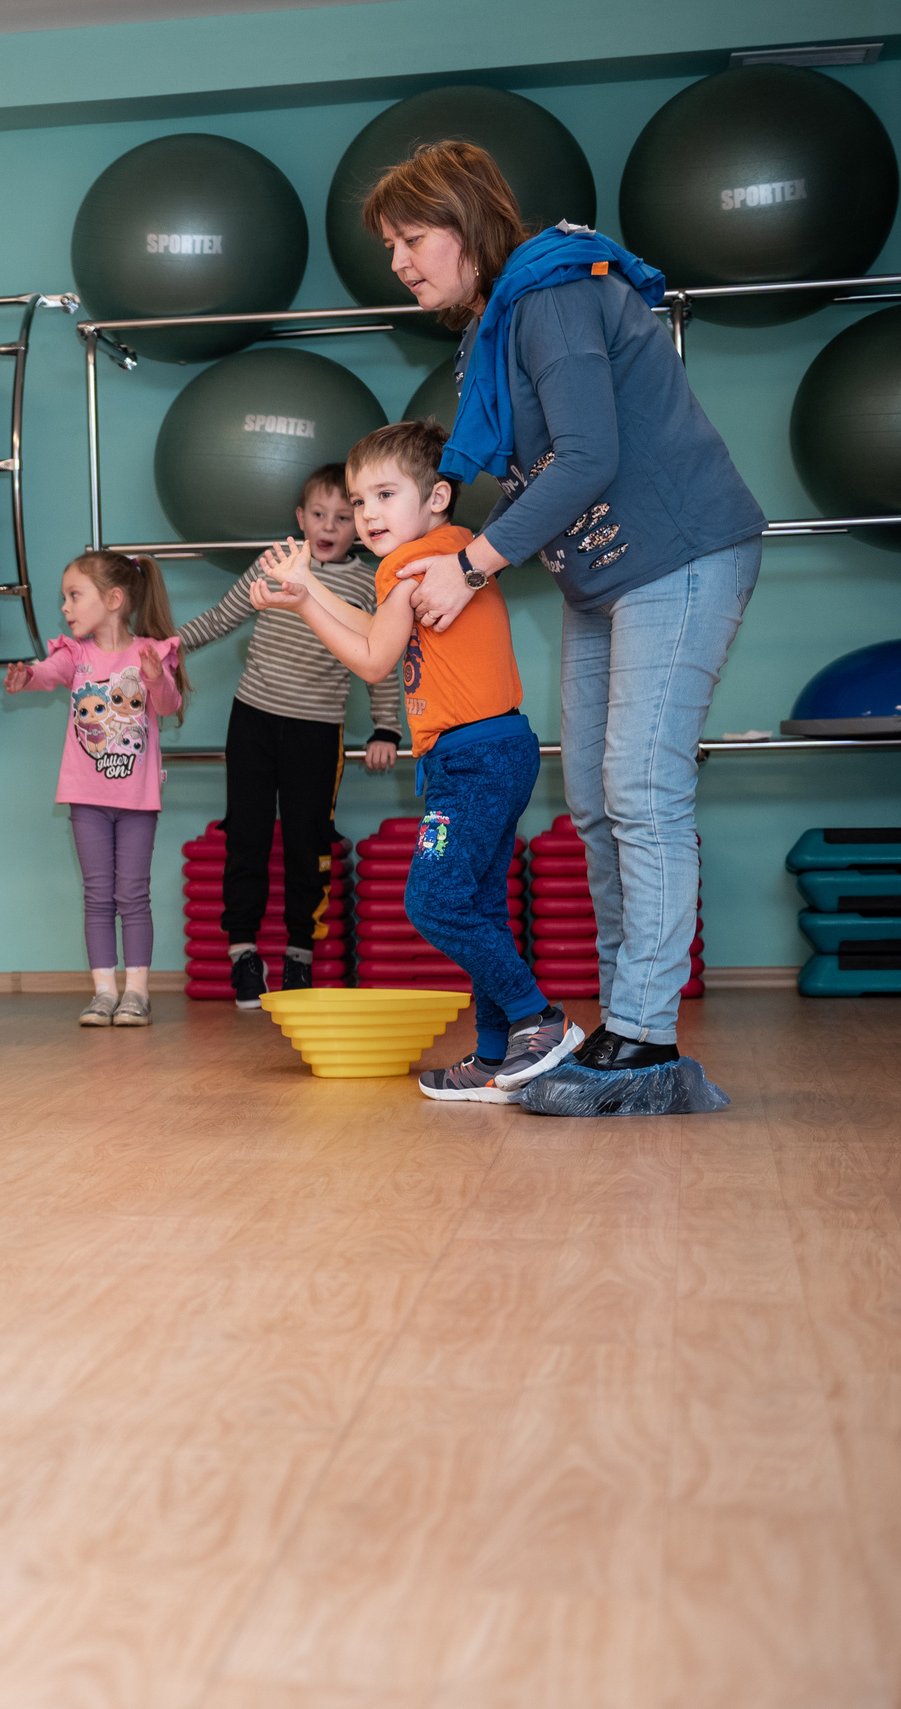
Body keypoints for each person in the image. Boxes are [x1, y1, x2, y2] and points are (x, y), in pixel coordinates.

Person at [363, 140, 764, 1096]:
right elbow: (484, 450)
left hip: (683, 549)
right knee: (589, 795)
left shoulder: (550, 297)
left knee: (640, 785)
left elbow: (584, 456)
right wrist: (439, 511)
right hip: (600, 571)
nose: (398, 262)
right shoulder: (491, 328)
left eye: (411, 238)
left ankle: (646, 1033)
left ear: (464, 225)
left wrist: (467, 564)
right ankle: (622, 1021)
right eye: (390, 245)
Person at [249, 419, 583, 1102]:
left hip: (476, 759)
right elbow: (378, 636)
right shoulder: (437, 556)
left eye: (383, 495)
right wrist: (307, 592)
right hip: (484, 754)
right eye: (356, 499)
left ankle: (537, 1017)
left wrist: (307, 598)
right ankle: (496, 1054)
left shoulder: (417, 562)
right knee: (481, 906)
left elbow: (372, 659)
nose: (365, 513)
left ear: (435, 498)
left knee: (431, 900)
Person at [177, 463, 403, 1009]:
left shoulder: (367, 584)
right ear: (301, 518)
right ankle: (243, 956)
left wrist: (386, 729)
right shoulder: (277, 563)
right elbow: (221, 617)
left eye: (342, 517)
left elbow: (384, 660)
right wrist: (164, 647)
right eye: (319, 515)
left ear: (359, 525)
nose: (328, 526)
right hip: (252, 720)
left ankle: (299, 955)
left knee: (308, 844)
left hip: (316, 733)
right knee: (247, 838)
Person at [5, 552, 187, 1027]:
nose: (66, 607)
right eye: (64, 598)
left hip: (136, 802)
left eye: (74, 596)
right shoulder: (75, 654)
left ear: (113, 599)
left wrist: (153, 679)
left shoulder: (151, 651)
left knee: (133, 894)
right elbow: (46, 675)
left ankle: (137, 993)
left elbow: (168, 703)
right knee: (98, 895)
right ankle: (103, 991)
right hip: (87, 801)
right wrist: (27, 678)